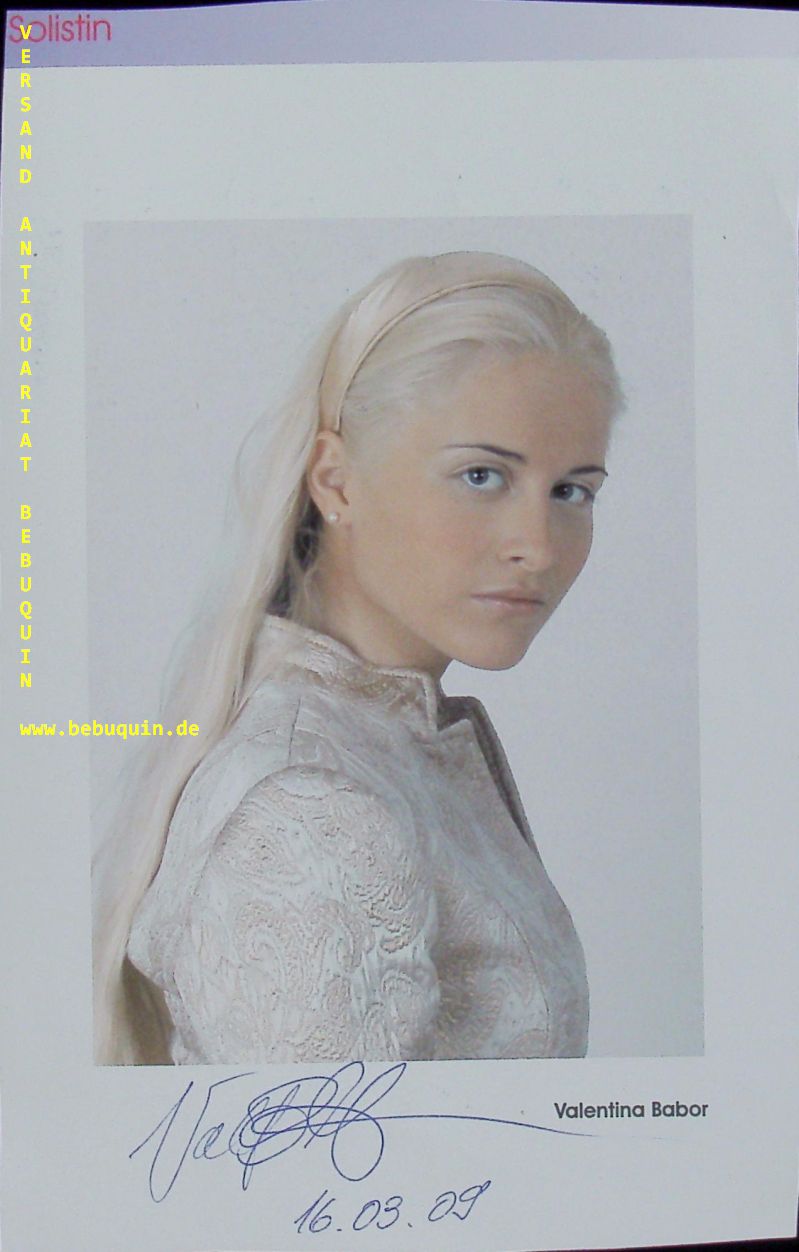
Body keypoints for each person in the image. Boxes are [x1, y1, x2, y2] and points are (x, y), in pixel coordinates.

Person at [91, 250, 624, 1066]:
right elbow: (322, 1152)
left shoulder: (381, 746)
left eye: (571, 491)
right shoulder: (310, 804)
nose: (538, 546)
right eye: (481, 476)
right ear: (335, 482)